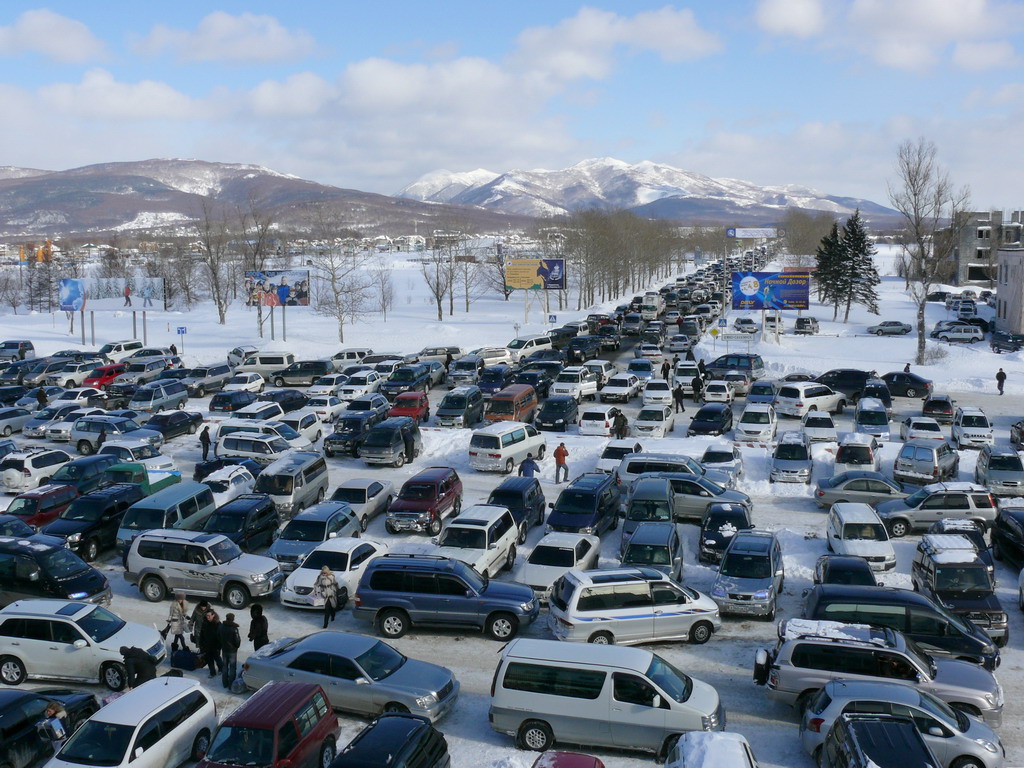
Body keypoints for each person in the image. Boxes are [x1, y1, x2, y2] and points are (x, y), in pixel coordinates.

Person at [219, 613, 241, 690]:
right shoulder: (234, 629)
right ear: (232, 619)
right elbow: (237, 641)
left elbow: (219, 637)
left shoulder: (221, 627)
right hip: (232, 651)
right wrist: (236, 646)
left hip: (224, 650)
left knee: (224, 666)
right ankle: (231, 684)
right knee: (232, 667)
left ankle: (224, 683)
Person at [200, 610, 223, 678]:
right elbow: (202, 634)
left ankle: (221, 669)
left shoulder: (218, 624)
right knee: (209, 659)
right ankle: (212, 672)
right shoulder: (205, 623)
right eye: (207, 616)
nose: (208, 617)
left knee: (217, 658)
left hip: (215, 645)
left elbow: (220, 637)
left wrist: (219, 646)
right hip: (207, 645)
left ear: (213, 615)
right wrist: (201, 643)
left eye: (209, 616)